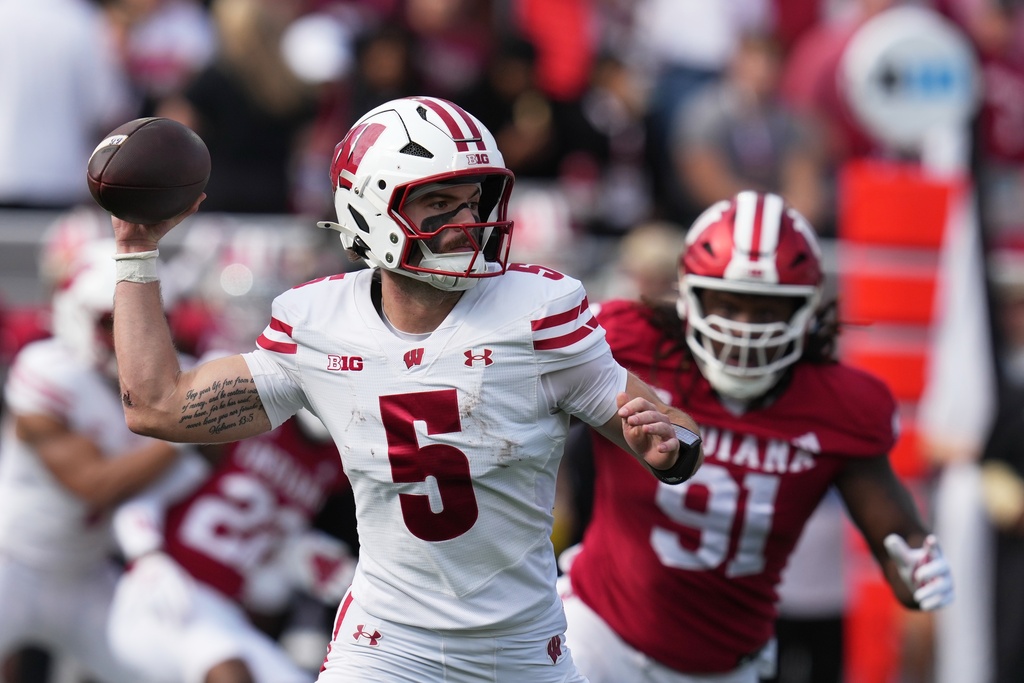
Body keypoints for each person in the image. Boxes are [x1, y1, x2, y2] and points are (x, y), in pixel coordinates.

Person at [106, 95, 704, 682]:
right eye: (439, 204)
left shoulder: (539, 313)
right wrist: (137, 252)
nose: (467, 225)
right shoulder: (320, 323)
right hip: (387, 644)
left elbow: (671, 427)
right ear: (367, 211)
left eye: (473, 202)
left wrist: (671, 445)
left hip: (521, 651)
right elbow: (159, 406)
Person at [557, 190, 955, 683]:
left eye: (767, 309)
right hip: (598, 633)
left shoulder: (841, 405)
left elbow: (898, 540)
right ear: (690, 293)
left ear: (805, 310)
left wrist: (917, 569)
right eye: (727, 304)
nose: (745, 330)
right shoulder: (632, 342)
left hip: (726, 666)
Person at [0, 238, 191, 683]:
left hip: (88, 576)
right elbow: (94, 485)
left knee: (170, 672)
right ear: (77, 315)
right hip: (14, 566)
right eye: (111, 322)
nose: (128, 336)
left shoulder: (181, 377)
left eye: (148, 320)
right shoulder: (48, 370)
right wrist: (186, 429)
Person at [107, 408, 355, 683]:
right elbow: (143, 496)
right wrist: (146, 555)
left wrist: (295, 559)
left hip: (225, 611)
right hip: (165, 590)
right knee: (228, 671)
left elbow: (264, 592)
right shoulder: (244, 416)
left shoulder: (335, 465)